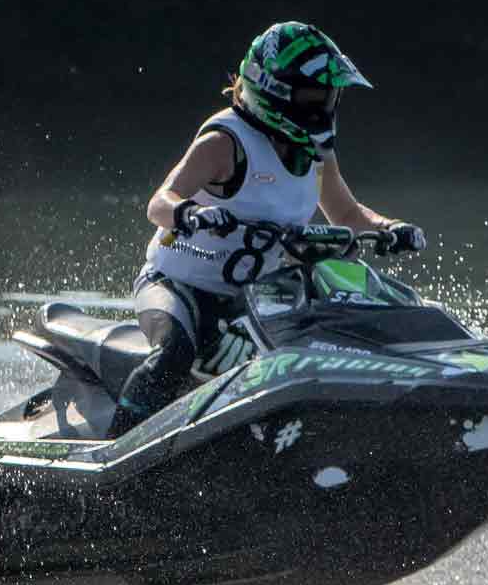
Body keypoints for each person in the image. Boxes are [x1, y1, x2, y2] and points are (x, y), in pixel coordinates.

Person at [108, 22, 426, 437]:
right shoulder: (224, 142)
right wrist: (192, 214)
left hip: (254, 297)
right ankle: (112, 449)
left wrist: (392, 228)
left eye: (331, 96)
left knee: (330, 331)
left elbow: (346, 213)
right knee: (175, 353)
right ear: (273, 89)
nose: (325, 105)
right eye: (314, 95)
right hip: (177, 286)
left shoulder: (315, 152)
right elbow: (160, 202)